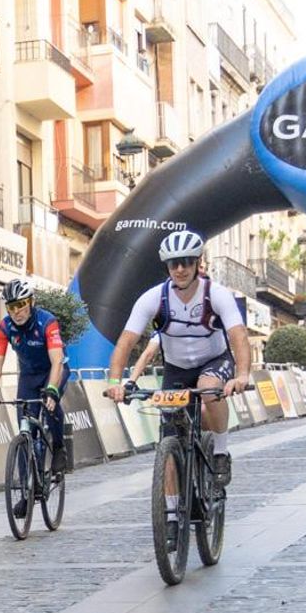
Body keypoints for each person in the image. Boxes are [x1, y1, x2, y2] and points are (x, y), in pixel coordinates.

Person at [105, 230, 251, 540]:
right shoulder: (153, 298)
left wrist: (242, 375)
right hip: (176, 369)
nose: (180, 269)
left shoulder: (217, 294)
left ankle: (220, 453)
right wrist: (116, 382)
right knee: (169, 440)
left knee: (210, 387)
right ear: (167, 268)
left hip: (214, 361)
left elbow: (238, 336)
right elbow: (126, 341)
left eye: (186, 262)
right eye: (174, 264)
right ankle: (170, 511)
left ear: (198, 263)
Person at [0, 279, 70, 510]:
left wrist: (52, 390)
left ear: (31, 302)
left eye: (21, 305)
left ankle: (59, 448)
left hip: (54, 369)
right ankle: (27, 490)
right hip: (29, 376)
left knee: (51, 405)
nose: (17, 312)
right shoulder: (5, 327)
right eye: (11, 307)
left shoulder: (46, 322)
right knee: (25, 431)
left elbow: (56, 359)